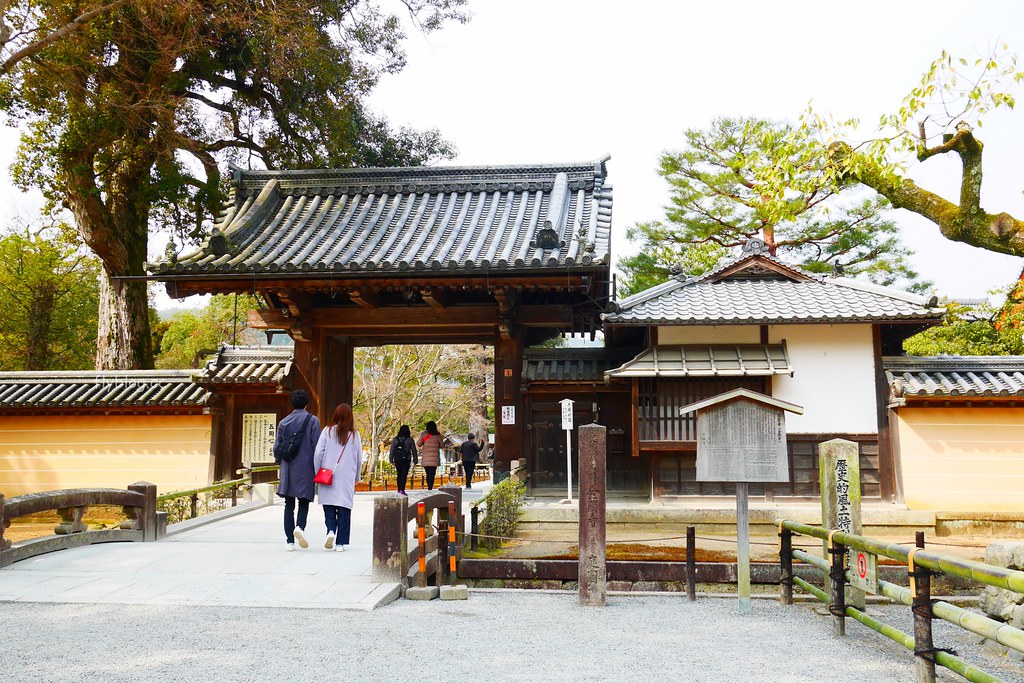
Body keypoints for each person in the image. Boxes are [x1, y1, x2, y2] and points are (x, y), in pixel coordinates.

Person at [274, 389, 320, 551]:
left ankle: (289, 542)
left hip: (288, 466)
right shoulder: (313, 421)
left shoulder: (283, 422)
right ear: (307, 404)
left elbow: (277, 447)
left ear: (292, 404)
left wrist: (279, 463)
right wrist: (318, 467)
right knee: (304, 501)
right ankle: (300, 527)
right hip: (306, 467)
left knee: (288, 504)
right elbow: (317, 446)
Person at [313, 403, 363, 551]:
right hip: (346, 477)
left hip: (328, 475)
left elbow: (318, 453)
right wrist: (356, 476)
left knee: (329, 506)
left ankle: (330, 530)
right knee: (344, 509)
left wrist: (318, 471)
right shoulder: (354, 435)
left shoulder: (327, 431)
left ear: (335, 415)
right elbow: (359, 458)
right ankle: (340, 543)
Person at [389, 425, 418, 495]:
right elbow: (414, 450)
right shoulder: (410, 439)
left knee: (399, 474)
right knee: (404, 474)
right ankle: (402, 489)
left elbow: (392, 450)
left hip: (397, 459)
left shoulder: (395, 439)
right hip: (406, 459)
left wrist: (391, 460)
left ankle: (399, 489)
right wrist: (415, 460)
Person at [416, 420, 442, 491]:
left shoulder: (425, 435)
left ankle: (429, 486)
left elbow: (419, 444)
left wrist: (424, 438)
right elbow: (442, 445)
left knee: (428, 474)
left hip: (426, 458)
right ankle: (430, 487)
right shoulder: (437, 436)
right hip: (434, 459)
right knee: (432, 474)